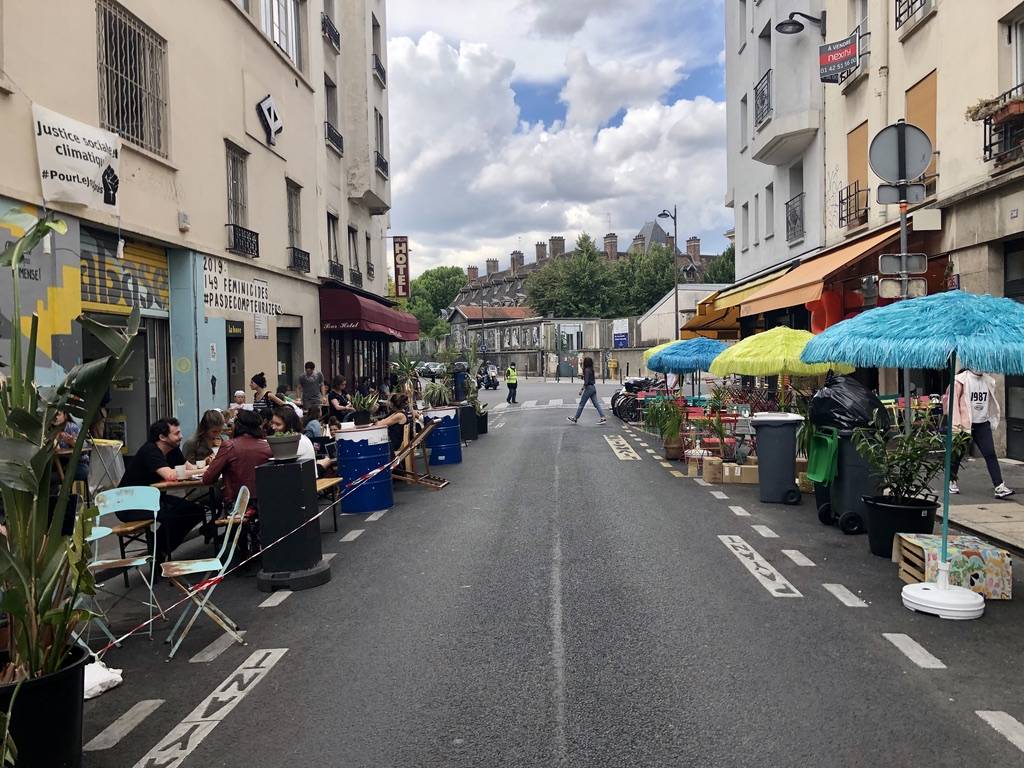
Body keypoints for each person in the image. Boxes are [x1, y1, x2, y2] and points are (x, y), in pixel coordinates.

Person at [118, 418, 207, 558]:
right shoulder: (150, 450)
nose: (181, 436)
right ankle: (159, 549)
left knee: (195, 511)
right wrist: (204, 471)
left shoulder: (173, 449)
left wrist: (208, 465)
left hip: (153, 498)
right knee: (172, 515)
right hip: (130, 503)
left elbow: (191, 468)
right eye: (176, 434)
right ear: (162, 437)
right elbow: (170, 475)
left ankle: (160, 547)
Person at [949, 368, 1014, 498]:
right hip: (965, 424)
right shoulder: (960, 380)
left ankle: (999, 486)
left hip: (982, 424)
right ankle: (951, 480)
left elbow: (991, 402)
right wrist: (956, 426)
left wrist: (991, 419)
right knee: (958, 454)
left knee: (990, 454)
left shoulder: (988, 380)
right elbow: (953, 404)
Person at [201, 410, 272, 512]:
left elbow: (207, 479)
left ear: (237, 426)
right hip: (265, 503)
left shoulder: (229, 446)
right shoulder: (268, 446)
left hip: (237, 505)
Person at [270, 407, 332, 475]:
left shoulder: (296, 441)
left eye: (278, 424)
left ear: (289, 425)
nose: (273, 427)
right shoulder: (296, 438)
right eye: (272, 423)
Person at [567, 356, 607, 425]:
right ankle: (603, 417)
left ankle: (575, 418)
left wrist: (581, 390)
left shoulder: (586, 370)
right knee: (596, 404)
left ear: (586, 363)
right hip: (593, 387)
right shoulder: (591, 369)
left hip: (588, 388)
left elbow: (586, 382)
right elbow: (588, 378)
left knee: (581, 404)